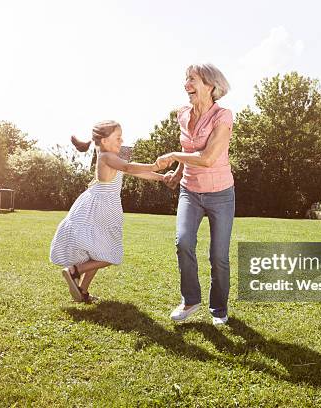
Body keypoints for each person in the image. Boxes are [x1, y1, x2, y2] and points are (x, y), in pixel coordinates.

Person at [50, 120, 166, 303]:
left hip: (99, 204)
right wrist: (155, 166)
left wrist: (162, 177)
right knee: (110, 254)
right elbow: (129, 167)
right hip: (102, 206)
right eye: (118, 138)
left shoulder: (112, 154)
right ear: (104, 141)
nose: (122, 141)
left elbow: (132, 170)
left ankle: (82, 291)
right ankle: (74, 271)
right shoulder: (105, 156)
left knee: (98, 250)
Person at [157, 63, 235, 326]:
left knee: (218, 256)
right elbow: (188, 148)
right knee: (183, 242)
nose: (186, 84)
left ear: (210, 86)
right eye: (186, 79)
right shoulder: (182, 114)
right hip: (190, 191)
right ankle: (190, 301)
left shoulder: (223, 116)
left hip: (221, 194)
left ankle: (219, 308)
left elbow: (208, 157)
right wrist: (178, 173)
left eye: (192, 80)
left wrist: (173, 157)